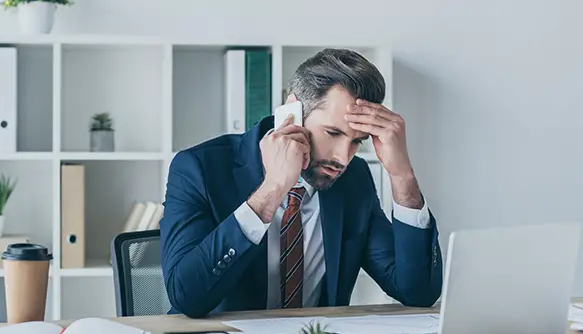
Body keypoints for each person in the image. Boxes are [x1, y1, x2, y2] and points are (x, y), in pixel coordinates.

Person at [160, 48, 442, 318]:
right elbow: (186, 296)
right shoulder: (198, 168)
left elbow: (417, 292)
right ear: (291, 111)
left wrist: (401, 175)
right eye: (332, 133)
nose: (343, 158)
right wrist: (271, 192)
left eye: (357, 141)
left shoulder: (353, 179)